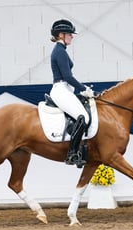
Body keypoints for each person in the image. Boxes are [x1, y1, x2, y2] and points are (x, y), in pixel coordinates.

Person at [49, 19, 94, 166]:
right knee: (83, 117)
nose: (72, 36)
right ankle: (73, 153)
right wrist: (84, 88)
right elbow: (67, 77)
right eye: (69, 34)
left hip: (65, 89)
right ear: (61, 35)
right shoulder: (59, 51)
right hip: (61, 90)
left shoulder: (61, 50)